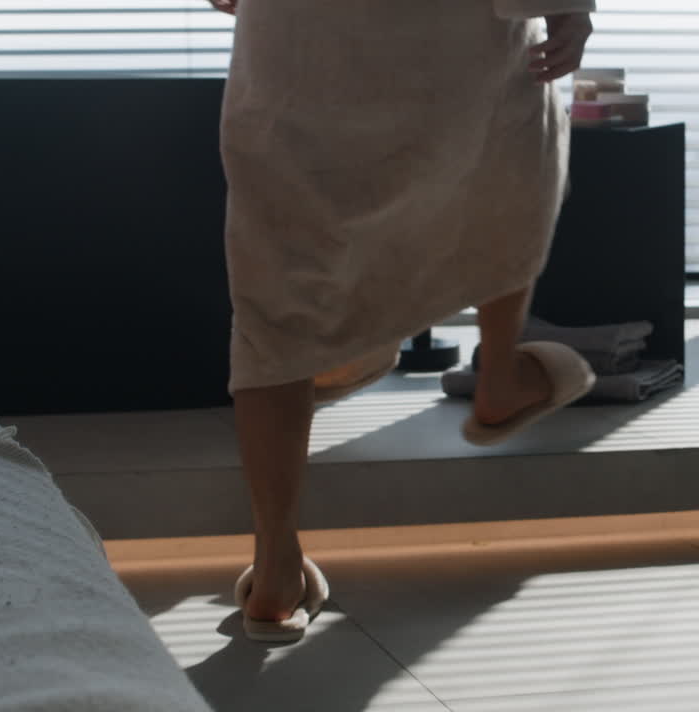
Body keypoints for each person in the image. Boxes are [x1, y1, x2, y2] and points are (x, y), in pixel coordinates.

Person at [207, 0, 597, 641]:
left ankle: (276, 571)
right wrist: (566, 10)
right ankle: (499, 377)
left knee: (277, 288)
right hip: (453, 36)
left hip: (295, 37)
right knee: (504, 171)